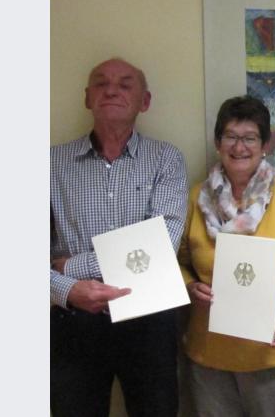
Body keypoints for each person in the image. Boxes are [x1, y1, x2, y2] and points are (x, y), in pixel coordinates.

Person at [50, 58, 188, 417]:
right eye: (101, 83)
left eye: (125, 84)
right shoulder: (48, 164)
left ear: (145, 101)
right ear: (86, 98)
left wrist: (72, 266)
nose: (111, 90)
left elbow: (163, 245)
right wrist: (67, 289)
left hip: (149, 318)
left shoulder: (166, 159)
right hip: (73, 318)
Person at [178, 95, 275, 417]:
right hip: (209, 352)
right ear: (217, 142)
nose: (239, 146)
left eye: (250, 137)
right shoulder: (197, 197)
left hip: (269, 351)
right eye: (231, 136)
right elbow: (178, 260)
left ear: (264, 144)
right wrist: (189, 285)